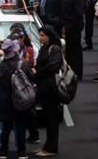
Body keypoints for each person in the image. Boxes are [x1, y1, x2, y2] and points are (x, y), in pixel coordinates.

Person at [0, 39, 35, 159]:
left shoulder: (0, 67)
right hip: (21, 99)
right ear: (16, 52)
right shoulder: (23, 65)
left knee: (6, 125)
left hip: (5, 100)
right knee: (20, 126)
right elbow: (32, 78)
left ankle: (3, 150)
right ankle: (21, 151)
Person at [33, 26, 63, 157]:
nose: (40, 38)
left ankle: (51, 148)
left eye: (43, 35)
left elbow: (53, 66)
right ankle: (47, 146)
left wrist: (38, 71)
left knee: (52, 119)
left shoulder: (55, 49)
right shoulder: (43, 48)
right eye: (39, 35)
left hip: (51, 88)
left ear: (49, 36)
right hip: (43, 87)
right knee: (47, 118)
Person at [62, 0, 86, 78]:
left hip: (74, 25)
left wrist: (68, 20)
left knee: (74, 49)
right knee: (72, 49)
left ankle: (76, 71)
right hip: (72, 24)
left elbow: (79, 11)